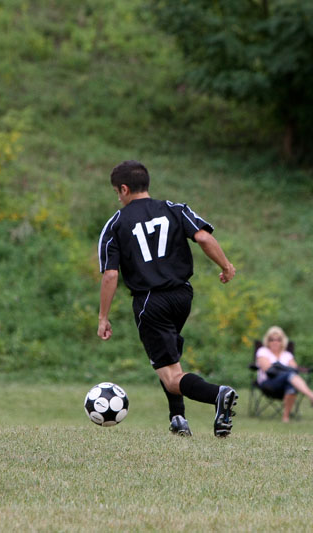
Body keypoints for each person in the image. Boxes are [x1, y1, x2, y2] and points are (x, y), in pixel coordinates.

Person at [97, 160, 238, 437]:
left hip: (151, 301)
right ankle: (178, 418)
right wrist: (226, 266)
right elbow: (204, 238)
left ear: (123, 189)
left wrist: (103, 316)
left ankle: (217, 395)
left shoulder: (116, 223)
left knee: (172, 377)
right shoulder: (175, 209)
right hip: (182, 296)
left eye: (117, 191)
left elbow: (110, 276)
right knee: (170, 358)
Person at [255, 326, 313, 422]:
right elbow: (268, 369)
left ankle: (285, 417)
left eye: (278, 339)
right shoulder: (263, 351)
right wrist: (286, 370)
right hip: (268, 383)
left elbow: (295, 369)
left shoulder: (287, 355)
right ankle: (312, 396)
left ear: (282, 341)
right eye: (272, 339)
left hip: (284, 384)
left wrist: (280, 368)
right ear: (267, 341)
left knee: (291, 385)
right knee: (289, 375)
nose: (275, 342)